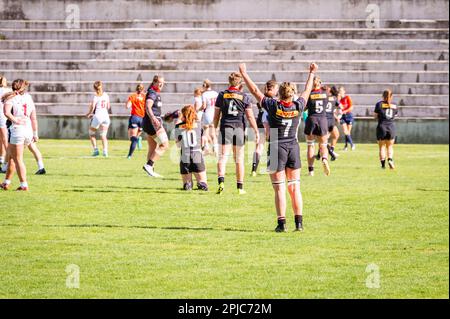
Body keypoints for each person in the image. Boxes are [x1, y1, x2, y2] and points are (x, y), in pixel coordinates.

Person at [240, 62, 317, 232]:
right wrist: (311, 73)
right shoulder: (298, 106)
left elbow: (255, 91)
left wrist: (244, 74)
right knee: (295, 187)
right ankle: (299, 223)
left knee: (279, 188)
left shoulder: (273, 105)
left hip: (276, 146)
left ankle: (281, 224)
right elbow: (307, 90)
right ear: (293, 94)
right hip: (293, 146)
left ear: (279, 93)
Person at [213, 72, 259, 195]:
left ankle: (221, 182)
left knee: (223, 157)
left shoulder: (222, 95)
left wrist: (214, 128)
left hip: (225, 126)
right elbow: (250, 116)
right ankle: (240, 187)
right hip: (239, 128)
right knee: (239, 158)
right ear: (240, 84)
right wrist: (256, 130)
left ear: (229, 82)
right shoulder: (244, 96)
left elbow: (216, 115)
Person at [0, 79, 38, 191]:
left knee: (18, 159)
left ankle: (24, 185)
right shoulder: (29, 98)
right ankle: (6, 183)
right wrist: (35, 133)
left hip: (17, 131)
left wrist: (15, 120)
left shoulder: (11, 98)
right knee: (11, 157)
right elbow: (33, 117)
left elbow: (6, 113)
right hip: (28, 131)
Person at [175, 105, 208, 191]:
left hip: (184, 155)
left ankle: (188, 185)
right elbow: (203, 140)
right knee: (203, 183)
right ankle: (201, 184)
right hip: (197, 153)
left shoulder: (179, 127)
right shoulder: (199, 124)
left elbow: (178, 145)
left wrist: (179, 119)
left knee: (187, 184)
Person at [142, 75, 169, 178]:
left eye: (163, 83)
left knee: (153, 147)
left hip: (149, 123)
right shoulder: (152, 93)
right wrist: (153, 118)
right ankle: (149, 166)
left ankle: (150, 171)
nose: (161, 85)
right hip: (153, 123)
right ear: (154, 82)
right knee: (164, 144)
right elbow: (148, 107)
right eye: (159, 82)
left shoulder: (154, 92)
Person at [304, 75, 331, 176]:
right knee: (323, 144)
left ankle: (311, 171)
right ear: (320, 83)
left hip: (311, 119)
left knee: (310, 145)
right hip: (323, 120)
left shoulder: (309, 94)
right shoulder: (325, 94)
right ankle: (324, 158)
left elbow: (304, 108)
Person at [251, 80, 278, 176]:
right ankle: (270, 168)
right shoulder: (273, 99)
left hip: (260, 123)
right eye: (276, 89)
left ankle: (254, 170)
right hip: (270, 123)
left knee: (259, 147)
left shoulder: (262, 97)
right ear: (273, 88)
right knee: (273, 146)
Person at [374, 89, 398, 170]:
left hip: (382, 127)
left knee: (382, 147)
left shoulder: (379, 104)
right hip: (391, 127)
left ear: (383, 96)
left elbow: (375, 116)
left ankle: (383, 165)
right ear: (391, 96)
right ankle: (390, 159)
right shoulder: (394, 105)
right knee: (390, 147)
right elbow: (395, 116)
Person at [315, 85, 340, 161]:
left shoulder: (323, 98)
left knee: (324, 139)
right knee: (330, 137)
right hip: (330, 120)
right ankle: (328, 152)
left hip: (325, 120)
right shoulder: (334, 98)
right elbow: (339, 107)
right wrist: (337, 116)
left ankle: (328, 152)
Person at [86, 81, 111, 157]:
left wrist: (89, 113)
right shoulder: (106, 95)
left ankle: (96, 150)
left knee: (91, 133)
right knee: (103, 135)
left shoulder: (96, 96)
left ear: (94, 88)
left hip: (98, 116)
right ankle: (105, 151)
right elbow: (108, 107)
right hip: (106, 117)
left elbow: (93, 106)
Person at [126, 84, 146, 159]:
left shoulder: (133, 96)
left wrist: (128, 103)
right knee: (135, 136)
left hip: (135, 118)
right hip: (142, 119)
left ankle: (129, 155)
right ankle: (138, 139)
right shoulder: (145, 97)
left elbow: (127, 106)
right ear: (143, 90)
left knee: (132, 138)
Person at [201, 79, 219, 156]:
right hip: (214, 114)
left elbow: (204, 106)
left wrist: (197, 109)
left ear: (204, 86)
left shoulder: (204, 94)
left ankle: (206, 148)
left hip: (207, 114)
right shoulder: (215, 93)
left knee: (205, 133)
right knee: (213, 134)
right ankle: (216, 149)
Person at [0, 76, 12, 172]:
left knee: (3, 139)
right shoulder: (8, 90)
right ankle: (4, 160)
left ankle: (6, 161)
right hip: (4, 116)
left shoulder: (7, 90)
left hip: (2, 116)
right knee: (4, 139)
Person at [339, 86, 355, 151]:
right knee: (345, 131)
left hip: (349, 116)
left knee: (348, 132)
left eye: (341, 91)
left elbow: (351, 107)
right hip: (342, 117)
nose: (340, 92)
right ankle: (352, 144)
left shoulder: (347, 97)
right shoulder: (339, 100)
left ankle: (346, 146)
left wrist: (344, 111)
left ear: (344, 91)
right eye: (339, 91)